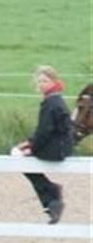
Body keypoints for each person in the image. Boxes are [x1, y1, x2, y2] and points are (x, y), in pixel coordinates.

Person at [13, 65, 74, 224]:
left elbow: (45, 131)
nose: (41, 84)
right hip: (59, 146)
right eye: (39, 81)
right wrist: (29, 143)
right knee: (24, 161)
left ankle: (51, 195)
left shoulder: (51, 102)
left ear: (54, 81)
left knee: (21, 160)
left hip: (55, 149)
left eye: (45, 81)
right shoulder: (55, 100)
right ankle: (51, 200)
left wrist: (30, 147)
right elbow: (45, 131)